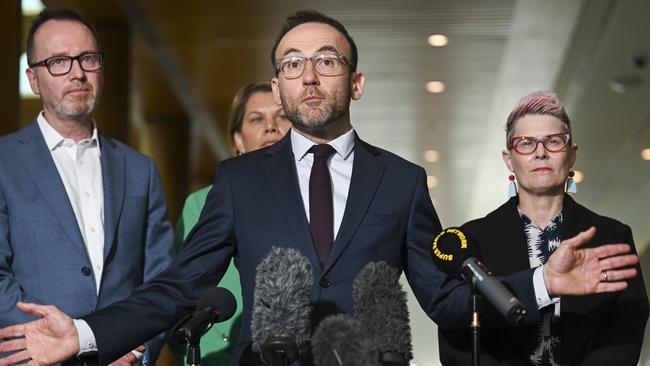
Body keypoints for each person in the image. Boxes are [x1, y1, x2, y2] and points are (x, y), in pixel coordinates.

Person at [0, 11, 640, 366]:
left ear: (354, 83)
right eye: (292, 65)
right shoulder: (239, 180)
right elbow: (175, 288)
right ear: (277, 87)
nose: (309, 76)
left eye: (327, 61)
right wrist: (86, 333)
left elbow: (446, 300)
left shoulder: (402, 180)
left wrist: (542, 284)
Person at [0, 9, 174, 366]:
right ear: (33, 78)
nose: (77, 73)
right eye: (59, 61)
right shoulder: (4, 161)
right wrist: (55, 345)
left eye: (88, 58)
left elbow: (160, 281)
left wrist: (135, 349)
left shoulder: (141, 170)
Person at [438, 91, 649, 365]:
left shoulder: (612, 236)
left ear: (572, 154)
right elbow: (457, 335)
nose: (540, 152)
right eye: (526, 143)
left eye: (554, 141)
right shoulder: (471, 240)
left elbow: (625, 328)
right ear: (509, 159)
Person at [170, 81, 291, 365]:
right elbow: (179, 297)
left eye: (282, 116)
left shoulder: (318, 200)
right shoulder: (200, 205)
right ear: (238, 139)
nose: (270, 126)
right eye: (256, 118)